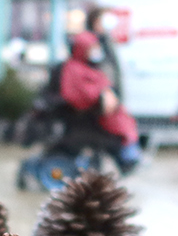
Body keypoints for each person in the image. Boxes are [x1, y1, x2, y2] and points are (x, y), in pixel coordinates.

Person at [59, 31, 140, 171]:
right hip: (92, 114)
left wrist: (107, 93)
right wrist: (101, 95)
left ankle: (128, 156)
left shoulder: (89, 66)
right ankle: (127, 157)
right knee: (120, 128)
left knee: (125, 124)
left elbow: (103, 84)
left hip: (106, 111)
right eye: (92, 48)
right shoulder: (74, 68)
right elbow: (77, 94)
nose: (95, 51)